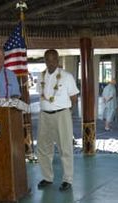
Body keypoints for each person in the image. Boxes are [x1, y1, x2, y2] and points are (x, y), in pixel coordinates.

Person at [36, 49, 79, 191]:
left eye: (53, 59)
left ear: (58, 60)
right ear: (45, 61)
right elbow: (42, 95)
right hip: (44, 115)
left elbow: (74, 98)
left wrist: (67, 112)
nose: (50, 62)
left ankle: (68, 179)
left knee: (65, 147)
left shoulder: (66, 77)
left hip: (61, 115)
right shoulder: (40, 76)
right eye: (47, 59)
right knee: (43, 148)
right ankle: (47, 177)